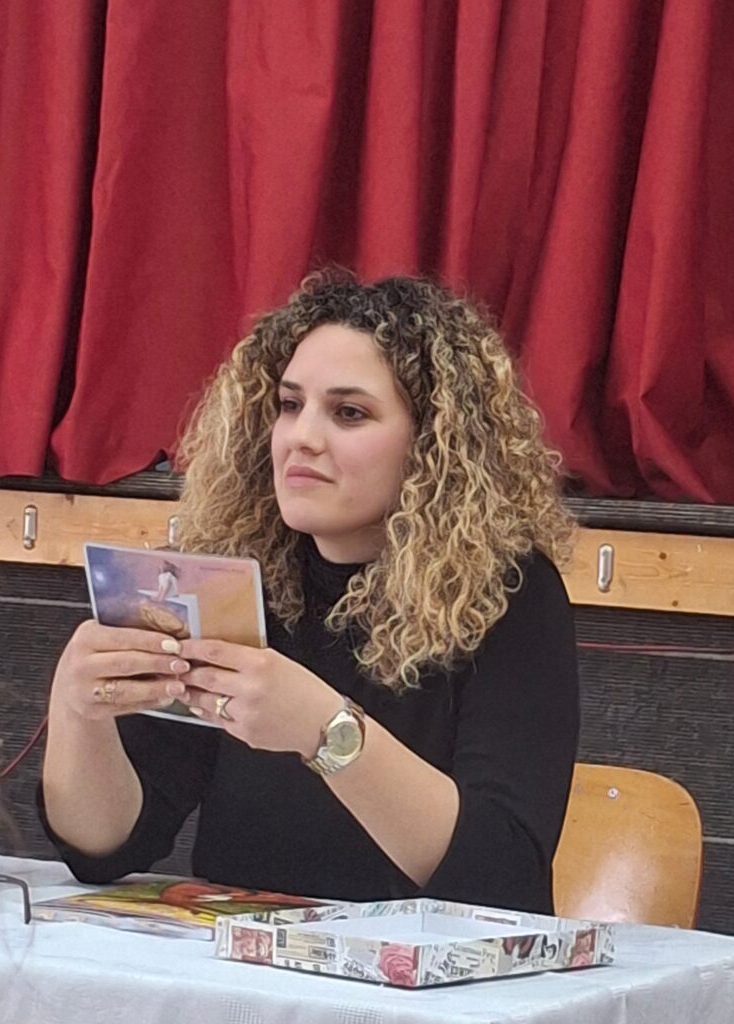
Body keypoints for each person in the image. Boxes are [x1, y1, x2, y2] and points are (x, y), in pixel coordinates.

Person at [39, 271, 580, 914]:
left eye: (349, 413)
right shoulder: (236, 579)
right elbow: (106, 848)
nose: (302, 437)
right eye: (290, 405)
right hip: (240, 967)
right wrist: (78, 711)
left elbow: (502, 872)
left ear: (433, 443)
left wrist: (325, 730)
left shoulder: (509, 592)